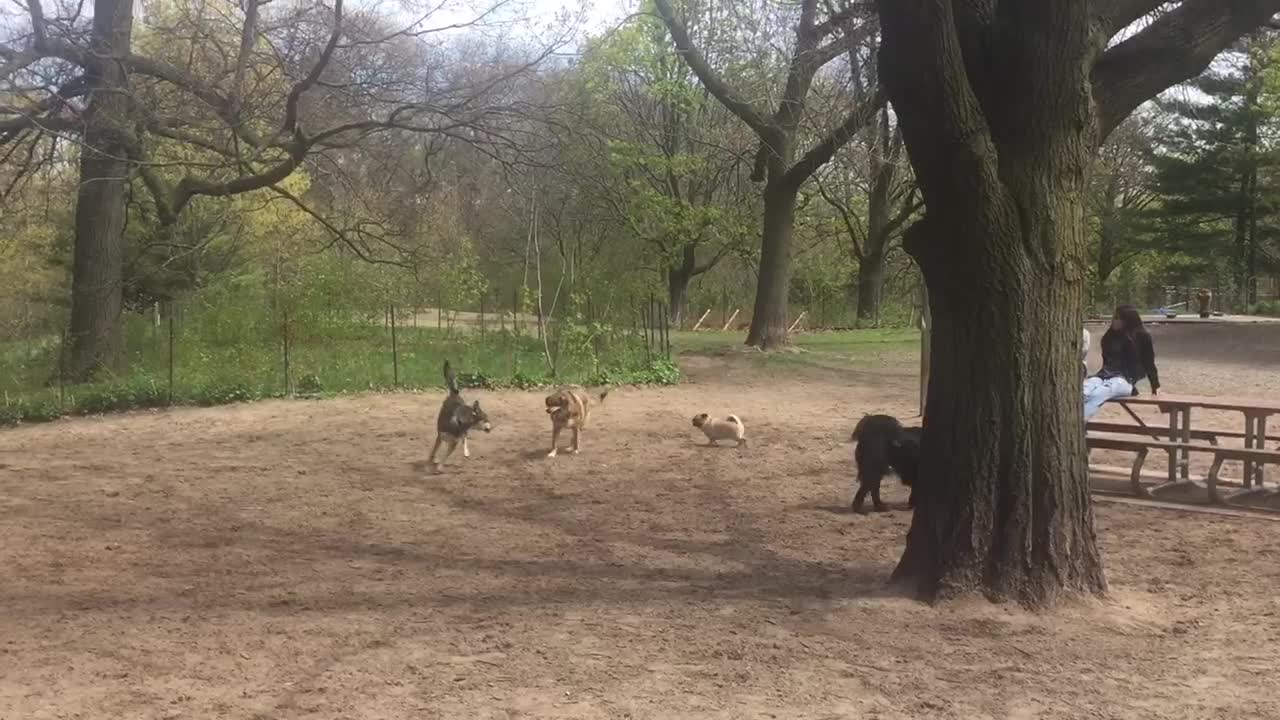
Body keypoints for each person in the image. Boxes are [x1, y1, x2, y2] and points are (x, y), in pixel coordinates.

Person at [1082, 305, 1160, 419]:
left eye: (1118, 318)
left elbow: (1149, 363)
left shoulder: (1142, 337)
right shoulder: (1109, 337)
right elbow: (1107, 363)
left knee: (1101, 392)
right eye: (1114, 318)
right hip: (1104, 375)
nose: (1114, 321)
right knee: (1084, 389)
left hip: (1126, 380)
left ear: (1127, 320)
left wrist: (1155, 385)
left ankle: (1076, 423)